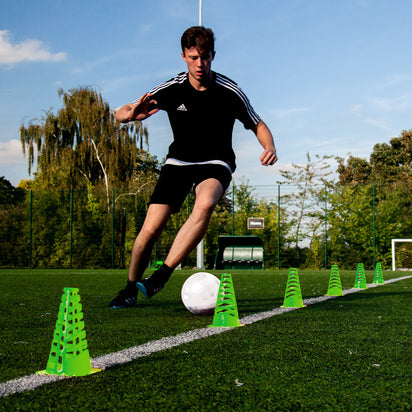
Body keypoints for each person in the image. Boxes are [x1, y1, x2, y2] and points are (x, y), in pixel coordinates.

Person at [109, 26, 277, 308]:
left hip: (216, 161)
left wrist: (269, 146)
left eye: (206, 57)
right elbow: (123, 111)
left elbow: (257, 123)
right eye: (194, 57)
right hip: (178, 162)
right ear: (184, 56)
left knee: (205, 203)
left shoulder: (229, 90)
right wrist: (129, 116)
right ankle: (129, 288)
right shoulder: (172, 88)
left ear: (213, 55)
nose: (201, 64)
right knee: (151, 228)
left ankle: (162, 274)